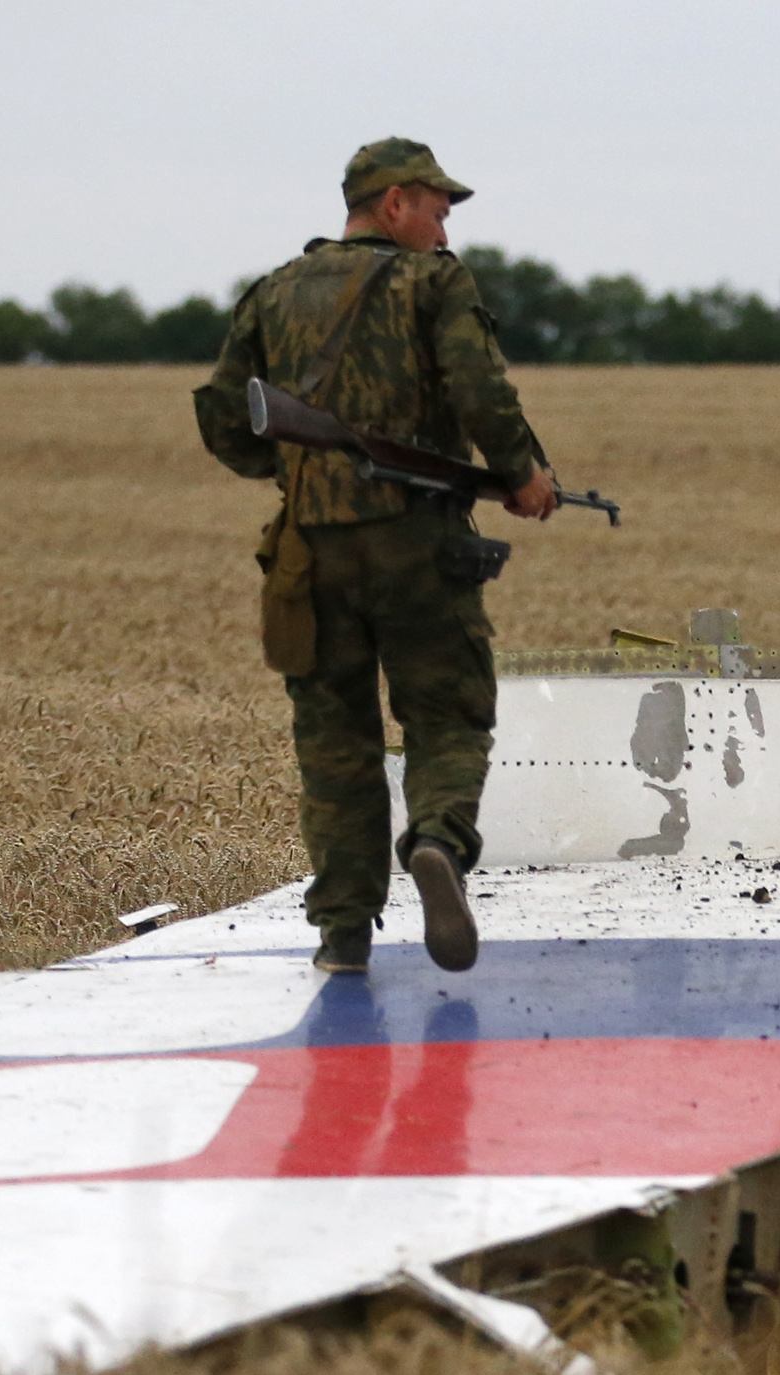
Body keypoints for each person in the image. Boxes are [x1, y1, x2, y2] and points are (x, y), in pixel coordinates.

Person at [194, 137, 560, 975]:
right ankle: (434, 840)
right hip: (419, 544)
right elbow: (479, 387)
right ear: (394, 204)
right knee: (448, 714)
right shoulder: (435, 281)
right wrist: (523, 474)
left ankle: (343, 936)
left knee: (335, 744)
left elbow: (223, 415)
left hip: (307, 557)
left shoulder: (272, 291)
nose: (442, 228)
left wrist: (292, 469)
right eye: (436, 210)